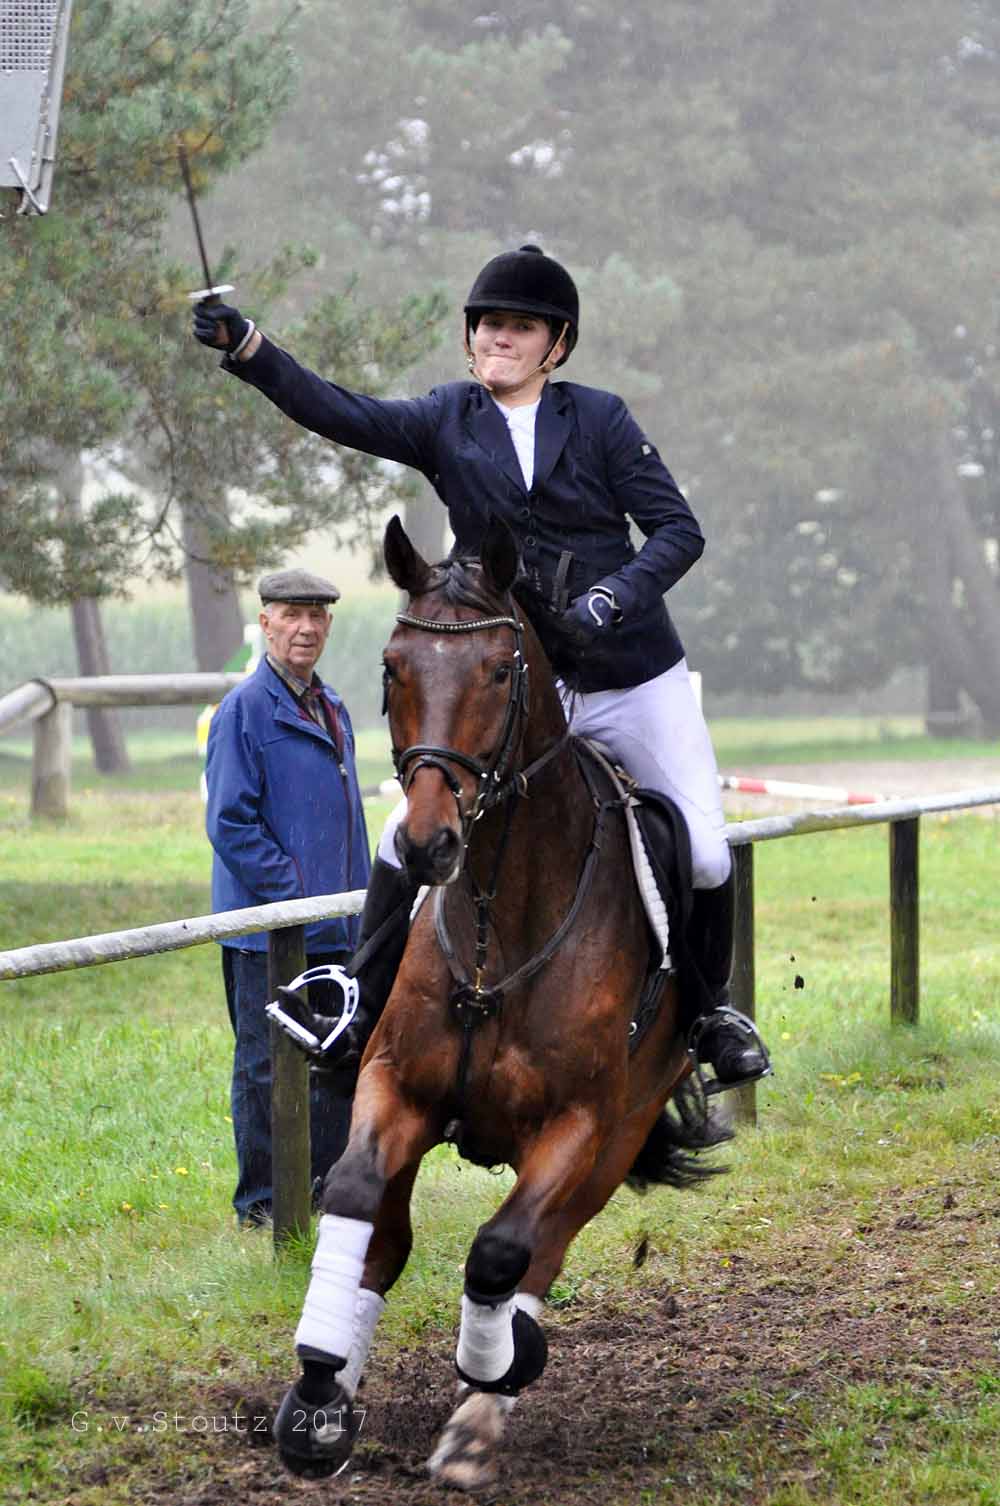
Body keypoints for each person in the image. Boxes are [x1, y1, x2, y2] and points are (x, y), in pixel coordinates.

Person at [193, 245, 770, 1093]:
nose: (501, 337)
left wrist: (611, 598)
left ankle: (710, 1014)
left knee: (708, 853)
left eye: (521, 327)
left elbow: (679, 531)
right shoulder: (446, 418)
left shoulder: (600, 420)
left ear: (555, 345)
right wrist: (250, 349)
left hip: (628, 674)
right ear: (470, 338)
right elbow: (340, 411)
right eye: (489, 324)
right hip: (512, 683)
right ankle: (357, 997)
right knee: (403, 833)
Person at [205, 568, 372, 1226]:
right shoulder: (243, 711)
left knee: (333, 1056)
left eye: (317, 616)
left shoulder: (332, 705)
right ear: (266, 622)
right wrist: (297, 895)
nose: (305, 627)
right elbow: (230, 823)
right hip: (268, 932)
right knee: (266, 1067)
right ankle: (263, 1205)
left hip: (337, 926)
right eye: (291, 614)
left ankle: (323, 1190)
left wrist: (358, 902)